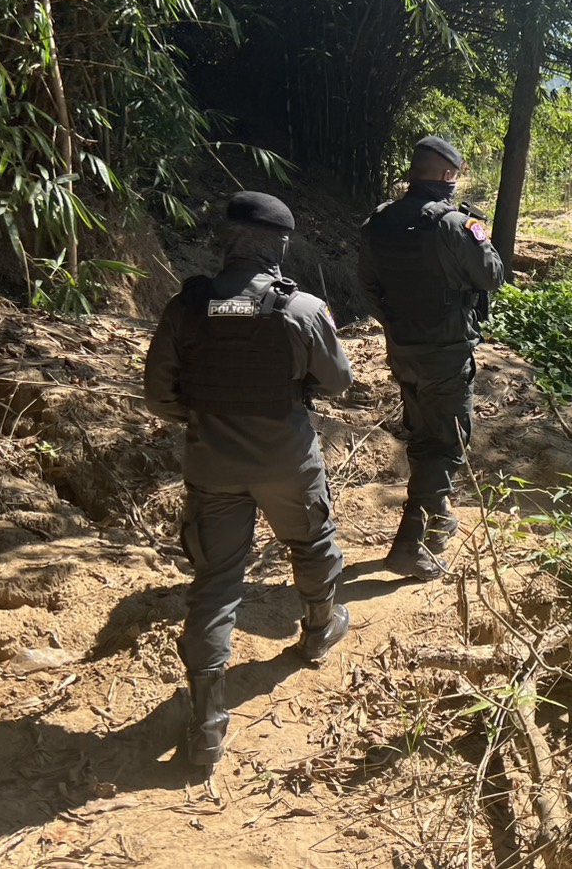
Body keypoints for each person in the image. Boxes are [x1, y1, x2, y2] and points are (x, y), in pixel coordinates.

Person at [143, 191, 354, 769]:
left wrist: (208, 417)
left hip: (212, 465)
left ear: (225, 239)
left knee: (215, 583)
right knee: (311, 542)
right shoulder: (303, 309)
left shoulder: (186, 308)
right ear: (280, 245)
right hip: (287, 460)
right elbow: (339, 381)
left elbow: (159, 396)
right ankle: (318, 632)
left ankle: (206, 724)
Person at [356, 135, 506, 581]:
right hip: (445, 352)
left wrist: (399, 324)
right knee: (444, 442)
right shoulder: (455, 225)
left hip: (403, 349)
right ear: (447, 175)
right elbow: (492, 276)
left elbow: (368, 287)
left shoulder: (378, 221)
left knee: (424, 433)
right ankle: (410, 545)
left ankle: (438, 517)